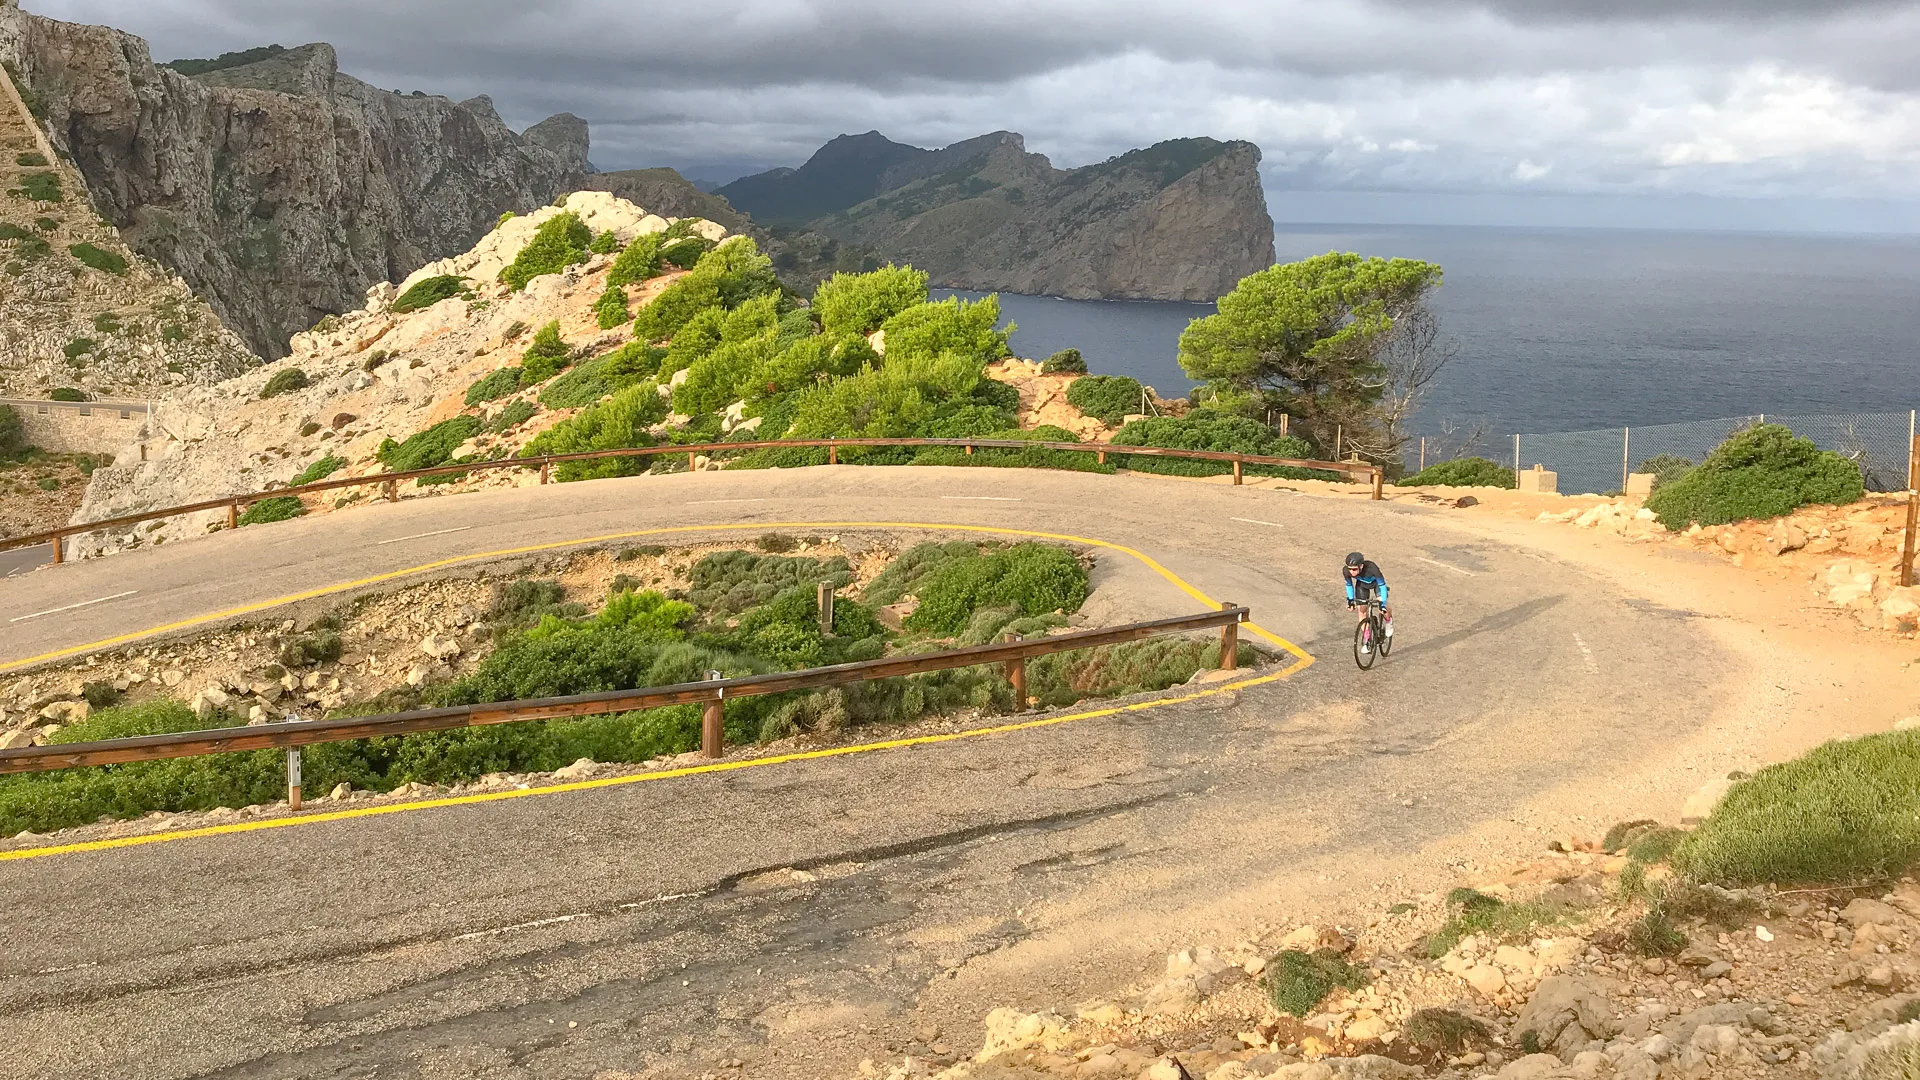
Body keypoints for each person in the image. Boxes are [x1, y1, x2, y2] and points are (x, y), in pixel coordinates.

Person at [1343, 551, 1392, 651]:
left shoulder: (1372, 568)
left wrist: (1382, 603)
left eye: (1354, 569)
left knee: (1382, 605)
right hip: (1362, 585)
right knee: (1362, 610)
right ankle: (1367, 638)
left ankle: (1388, 621)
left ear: (1361, 566)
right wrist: (1350, 600)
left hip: (1376, 584)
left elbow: (1382, 586)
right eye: (1350, 569)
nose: (1351, 572)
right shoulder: (1346, 571)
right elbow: (1349, 585)